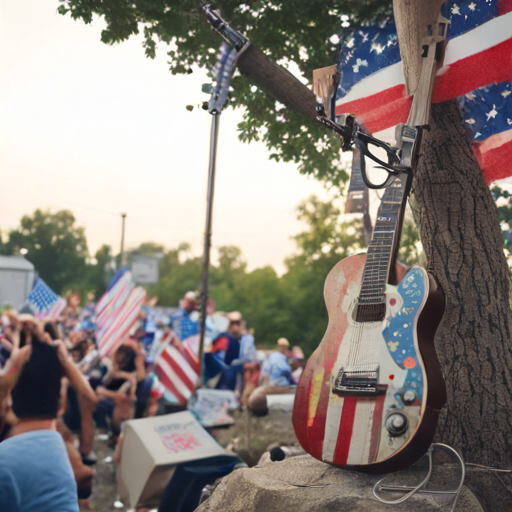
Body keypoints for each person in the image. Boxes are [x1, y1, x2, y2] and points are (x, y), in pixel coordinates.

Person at [0, 317, 96, 512]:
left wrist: (16, 360)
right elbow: (89, 396)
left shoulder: (6, 461)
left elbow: (3, 384)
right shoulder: (60, 453)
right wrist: (66, 362)